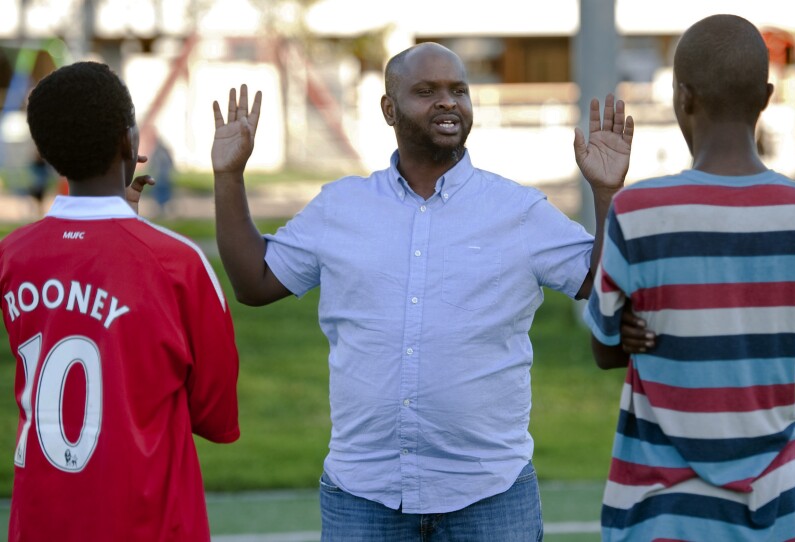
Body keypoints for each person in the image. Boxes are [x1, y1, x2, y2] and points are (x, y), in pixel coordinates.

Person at [211, 42, 637, 540]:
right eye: (426, 91)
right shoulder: (340, 206)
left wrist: (607, 194)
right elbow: (253, 282)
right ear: (389, 109)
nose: (448, 102)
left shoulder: (518, 210)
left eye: (459, 90)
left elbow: (600, 284)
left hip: (489, 493)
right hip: (363, 494)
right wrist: (228, 176)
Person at [584, 15, 795, 542]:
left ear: (683, 97)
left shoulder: (637, 210)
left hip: (660, 511)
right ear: (767, 96)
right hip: (780, 510)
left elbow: (605, 349)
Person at [0, 61, 241, 541]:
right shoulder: (177, 264)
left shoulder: (11, 256)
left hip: (41, 523)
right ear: (128, 142)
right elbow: (215, 414)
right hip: (149, 525)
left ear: (46, 154)